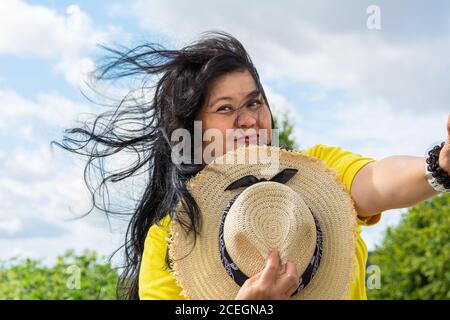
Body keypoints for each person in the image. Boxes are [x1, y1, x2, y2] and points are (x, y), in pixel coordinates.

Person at [56, 31, 450, 300]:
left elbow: (377, 180)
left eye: (254, 102)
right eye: (225, 109)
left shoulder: (317, 171)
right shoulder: (170, 239)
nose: (248, 120)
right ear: (194, 128)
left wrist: (439, 166)